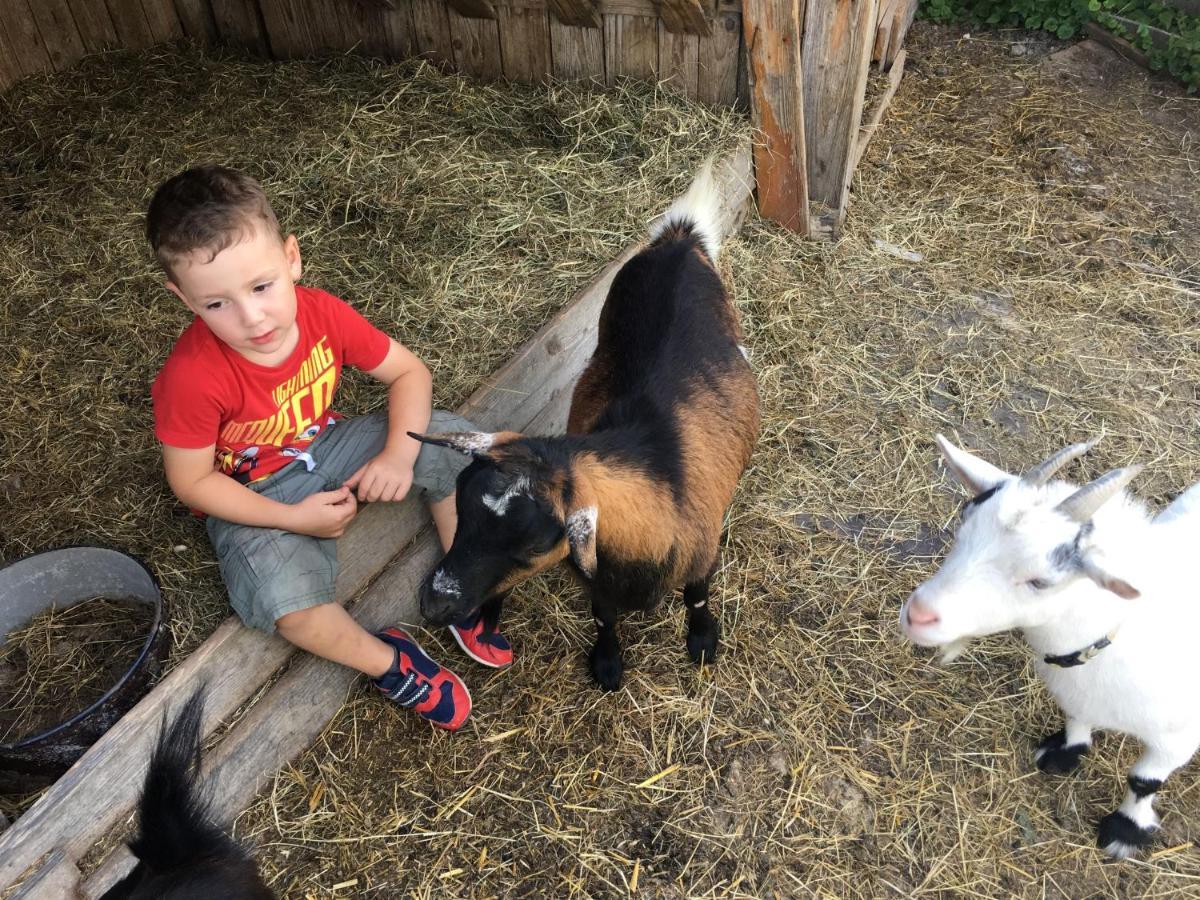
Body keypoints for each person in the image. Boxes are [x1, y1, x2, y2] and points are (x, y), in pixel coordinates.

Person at [147, 165, 512, 731]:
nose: (252, 318)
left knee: (452, 448)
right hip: (255, 493)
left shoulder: (321, 312)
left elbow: (409, 372)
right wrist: (292, 518)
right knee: (286, 608)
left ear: (291, 258)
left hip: (329, 445)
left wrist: (396, 455)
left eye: (262, 286)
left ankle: (458, 586)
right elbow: (192, 483)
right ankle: (391, 662)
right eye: (216, 304)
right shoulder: (190, 378)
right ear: (182, 297)